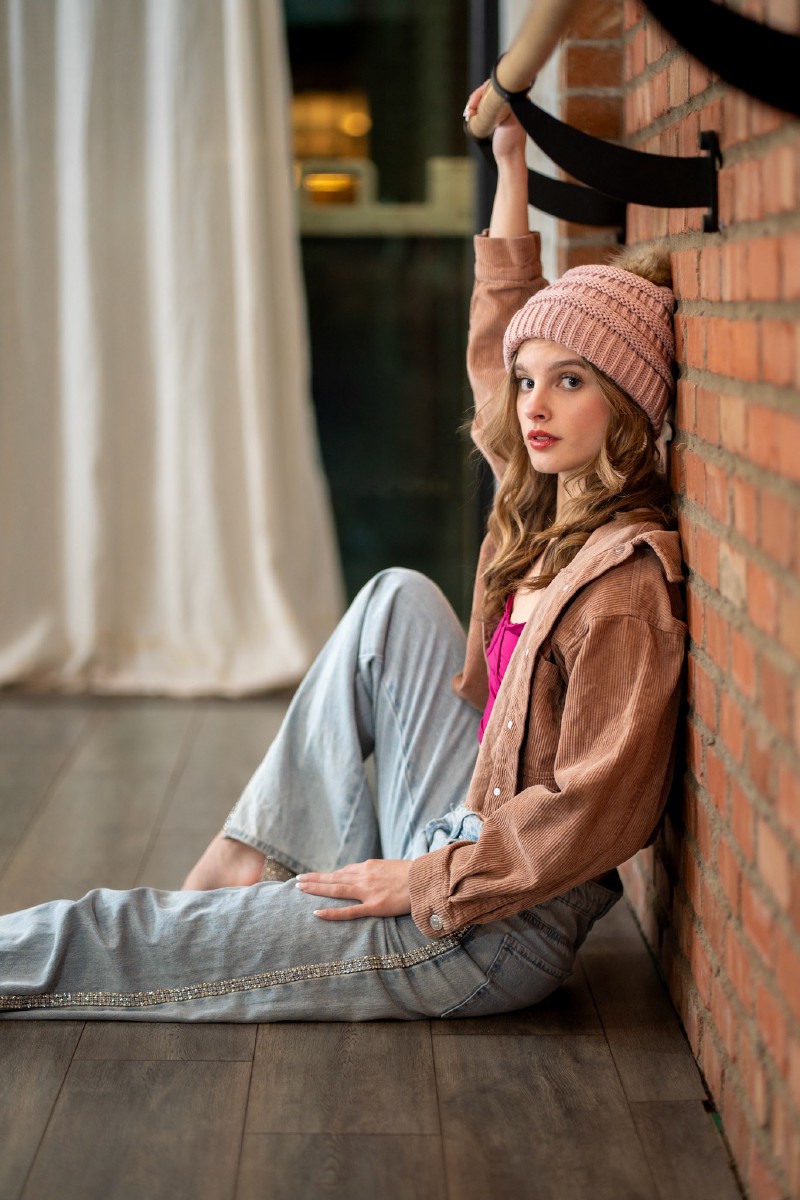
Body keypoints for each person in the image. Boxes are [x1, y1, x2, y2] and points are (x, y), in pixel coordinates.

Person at [0, 103, 686, 1022]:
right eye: (533, 379)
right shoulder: (543, 498)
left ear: (626, 406)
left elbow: (597, 813)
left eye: (571, 382)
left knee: (134, 934)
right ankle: (245, 861)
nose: (534, 404)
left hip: (489, 931)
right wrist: (512, 167)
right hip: (467, 833)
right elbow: (499, 339)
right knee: (396, 598)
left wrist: (426, 876)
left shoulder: (625, 587)